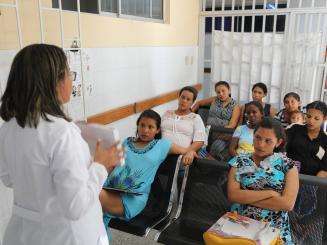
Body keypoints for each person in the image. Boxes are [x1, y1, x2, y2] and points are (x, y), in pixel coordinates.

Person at [0, 44, 122, 245]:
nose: (71, 80)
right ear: (55, 82)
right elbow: (76, 206)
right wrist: (100, 165)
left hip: (23, 234)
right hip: (67, 236)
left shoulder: (8, 128)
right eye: (69, 74)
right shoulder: (62, 132)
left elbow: (8, 178)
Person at [100, 109, 196, 237]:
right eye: (142, 125)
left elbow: (188, 151)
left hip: (133, 198)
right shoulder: (127, 142)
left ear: (157, 130)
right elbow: (114, 165)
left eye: (150, 127)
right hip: (111, 188)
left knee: (90, 197)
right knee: (90, 202)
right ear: (138, 126)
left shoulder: (162, 145)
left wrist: (190, 152)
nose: (145, 130)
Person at [228, 117, 299, 244]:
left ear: (278, 142)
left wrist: (245, 198)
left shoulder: (288, 165)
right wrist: (270, 194)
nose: (260, 144)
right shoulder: (239, 161)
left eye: (268, 141)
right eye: (258, 137)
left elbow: (287, 204)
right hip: (241, 226)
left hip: (274, 231)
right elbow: (233, 195)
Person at [192, 81, 240, 159]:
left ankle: (208, 160)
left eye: (223, 91)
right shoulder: (214, 99)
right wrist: (190, 113)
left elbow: (232, 125)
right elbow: (198, 103)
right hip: (207, 131)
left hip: (223, 134)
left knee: (216, 147)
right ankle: (201, 160)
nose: (221, 94)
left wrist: (218, 134)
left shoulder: (235, 106)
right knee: (198, 144)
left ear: (229, 90)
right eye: (218, 92)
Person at [161, 86, 206, 163]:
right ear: (179, 98)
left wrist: (189, 151)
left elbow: (200, 140)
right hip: (160, 153)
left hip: (179, 157)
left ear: (192, 102)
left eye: (188, 99)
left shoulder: (195, 118)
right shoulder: (167, 113)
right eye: (182, 97)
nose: (184, 101)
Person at [286, 101, 327, 177]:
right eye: (308, 116)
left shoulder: (325, 140)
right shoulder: (294, 130)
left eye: (316, 118)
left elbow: (324, 169)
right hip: (288, 175)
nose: (311, 121)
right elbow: (282, 150)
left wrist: (314, 184)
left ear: (324, 118)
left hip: (311, 182)